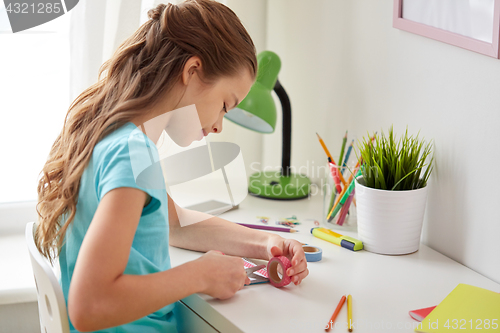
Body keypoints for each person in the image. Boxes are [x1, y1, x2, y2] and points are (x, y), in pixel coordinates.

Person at [36, 1, 309, 332]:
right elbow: (89, 305)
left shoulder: (111, 137)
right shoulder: (132, 154)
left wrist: (265, 244)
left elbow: (176, 224)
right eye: (225, 105)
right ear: (192, 70)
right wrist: (199, 275)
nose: (220, 125)